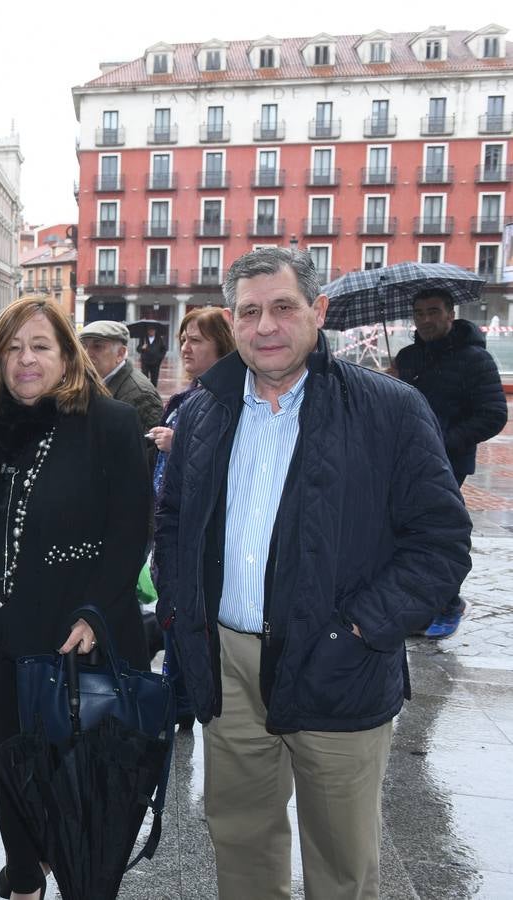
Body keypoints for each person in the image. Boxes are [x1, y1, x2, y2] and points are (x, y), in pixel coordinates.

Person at [154, 248, 472, 900]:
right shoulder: (203, 411)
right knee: (238, 841)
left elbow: (438, 545)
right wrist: (182, 615)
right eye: (248, 311)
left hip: (339, 663)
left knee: (340, 861)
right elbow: (175, 523)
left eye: (281, 307)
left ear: (316, 312)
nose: (264, 325)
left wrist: (356, 629)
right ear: (231, 320)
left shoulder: (388, 409)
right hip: (227, 664)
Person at [0, 298, 151, 900]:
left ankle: (84, 880)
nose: (25, 360)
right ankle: (25, 880)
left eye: (39, 346)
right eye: (11, 348)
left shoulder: (109, 423)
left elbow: (130, 530)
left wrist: (96, 608)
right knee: (12, 763)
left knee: (78, 770)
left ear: (67, 355)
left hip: (72, 631)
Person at [392, 288, 507, 639]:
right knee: (402, 533)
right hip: (403, 461)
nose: (425, 319)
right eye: (419, 313)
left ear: (450, 314)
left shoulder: (476, 360)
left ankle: (448, 603)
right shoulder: (407, 357)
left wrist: (442, 441)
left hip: (447, 463)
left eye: (433, 311)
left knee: (437, 534)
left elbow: (493, 414)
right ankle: (418, 603)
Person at [146, 306, 236, 732]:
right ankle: (174, 694)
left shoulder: (225, 399)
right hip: (169, 527)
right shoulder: (188, 396)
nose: (185, 346)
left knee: (184, 616)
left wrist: (175, 445)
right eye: (183, 338)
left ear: (221, 344)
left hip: (194, 536)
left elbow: (225, 465)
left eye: (196, 339)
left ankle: (180, 699)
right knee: (171, 613)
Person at [78, 320, 163, 466]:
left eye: (97, 346)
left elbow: (149, 459)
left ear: (120, 353)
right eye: (84, 346)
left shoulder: (140, 395)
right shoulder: (94, 380)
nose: (86, 354)